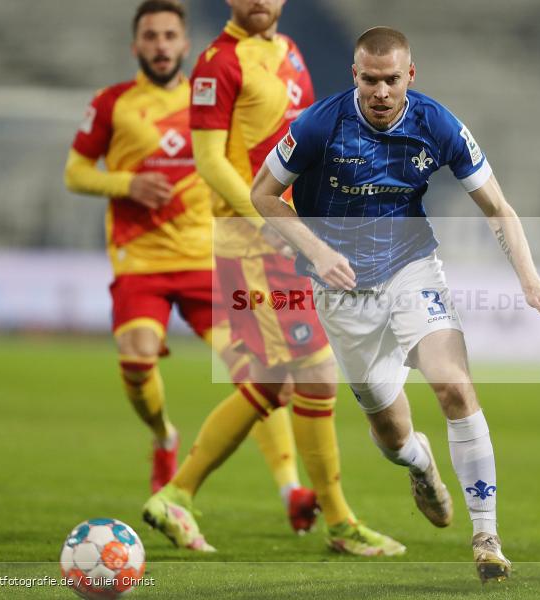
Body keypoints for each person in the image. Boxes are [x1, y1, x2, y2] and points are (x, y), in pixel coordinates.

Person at [250, 25, 540, 582]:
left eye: (391, 80)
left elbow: (497, 207)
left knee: (453, 385)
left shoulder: (437, 124)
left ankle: (487, 536)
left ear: (410, 76)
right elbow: (261, 194)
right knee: (393, 436)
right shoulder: (318, 125)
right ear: (355, 75)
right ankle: (421, 464)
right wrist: (316, 248)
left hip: (411, 267)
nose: (380, 91)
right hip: (341, 290)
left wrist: (530, 280)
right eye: (370, 79)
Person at [142, 0, 403, 556]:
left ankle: (181, 494)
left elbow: (300, 147)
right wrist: (270, 221)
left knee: (285, 381)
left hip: (289, 234)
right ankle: (334, 519)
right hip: (251, 241)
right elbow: (210, 160)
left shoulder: (288, 53)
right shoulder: (219, 61)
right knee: (312, 372)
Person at [64, 0, 316, 532]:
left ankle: (292, 488)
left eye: (169, 35)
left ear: (183, 43)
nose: (160, 45)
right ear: (136, 46)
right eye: (150, 36)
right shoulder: (113, 104)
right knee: (136, 360)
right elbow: (76, 173)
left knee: (260, 373)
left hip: (209, 258)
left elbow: (240, 158)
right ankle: (163, 437)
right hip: (143, 261)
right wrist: (126, 183)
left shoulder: (213, 98)